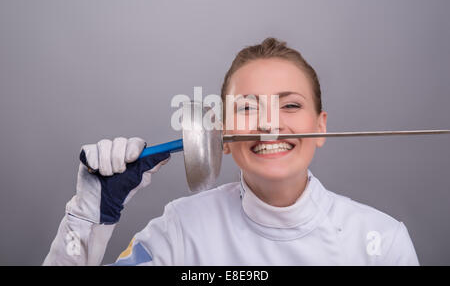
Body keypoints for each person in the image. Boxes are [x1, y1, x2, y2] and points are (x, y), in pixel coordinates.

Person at [43, 37, 420, 265]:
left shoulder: (381, 241)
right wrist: (88, 218)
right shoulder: (182, 229)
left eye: (289, 105)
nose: (269, 125)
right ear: (220, 133)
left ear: (320, 127)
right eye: (248, 107)